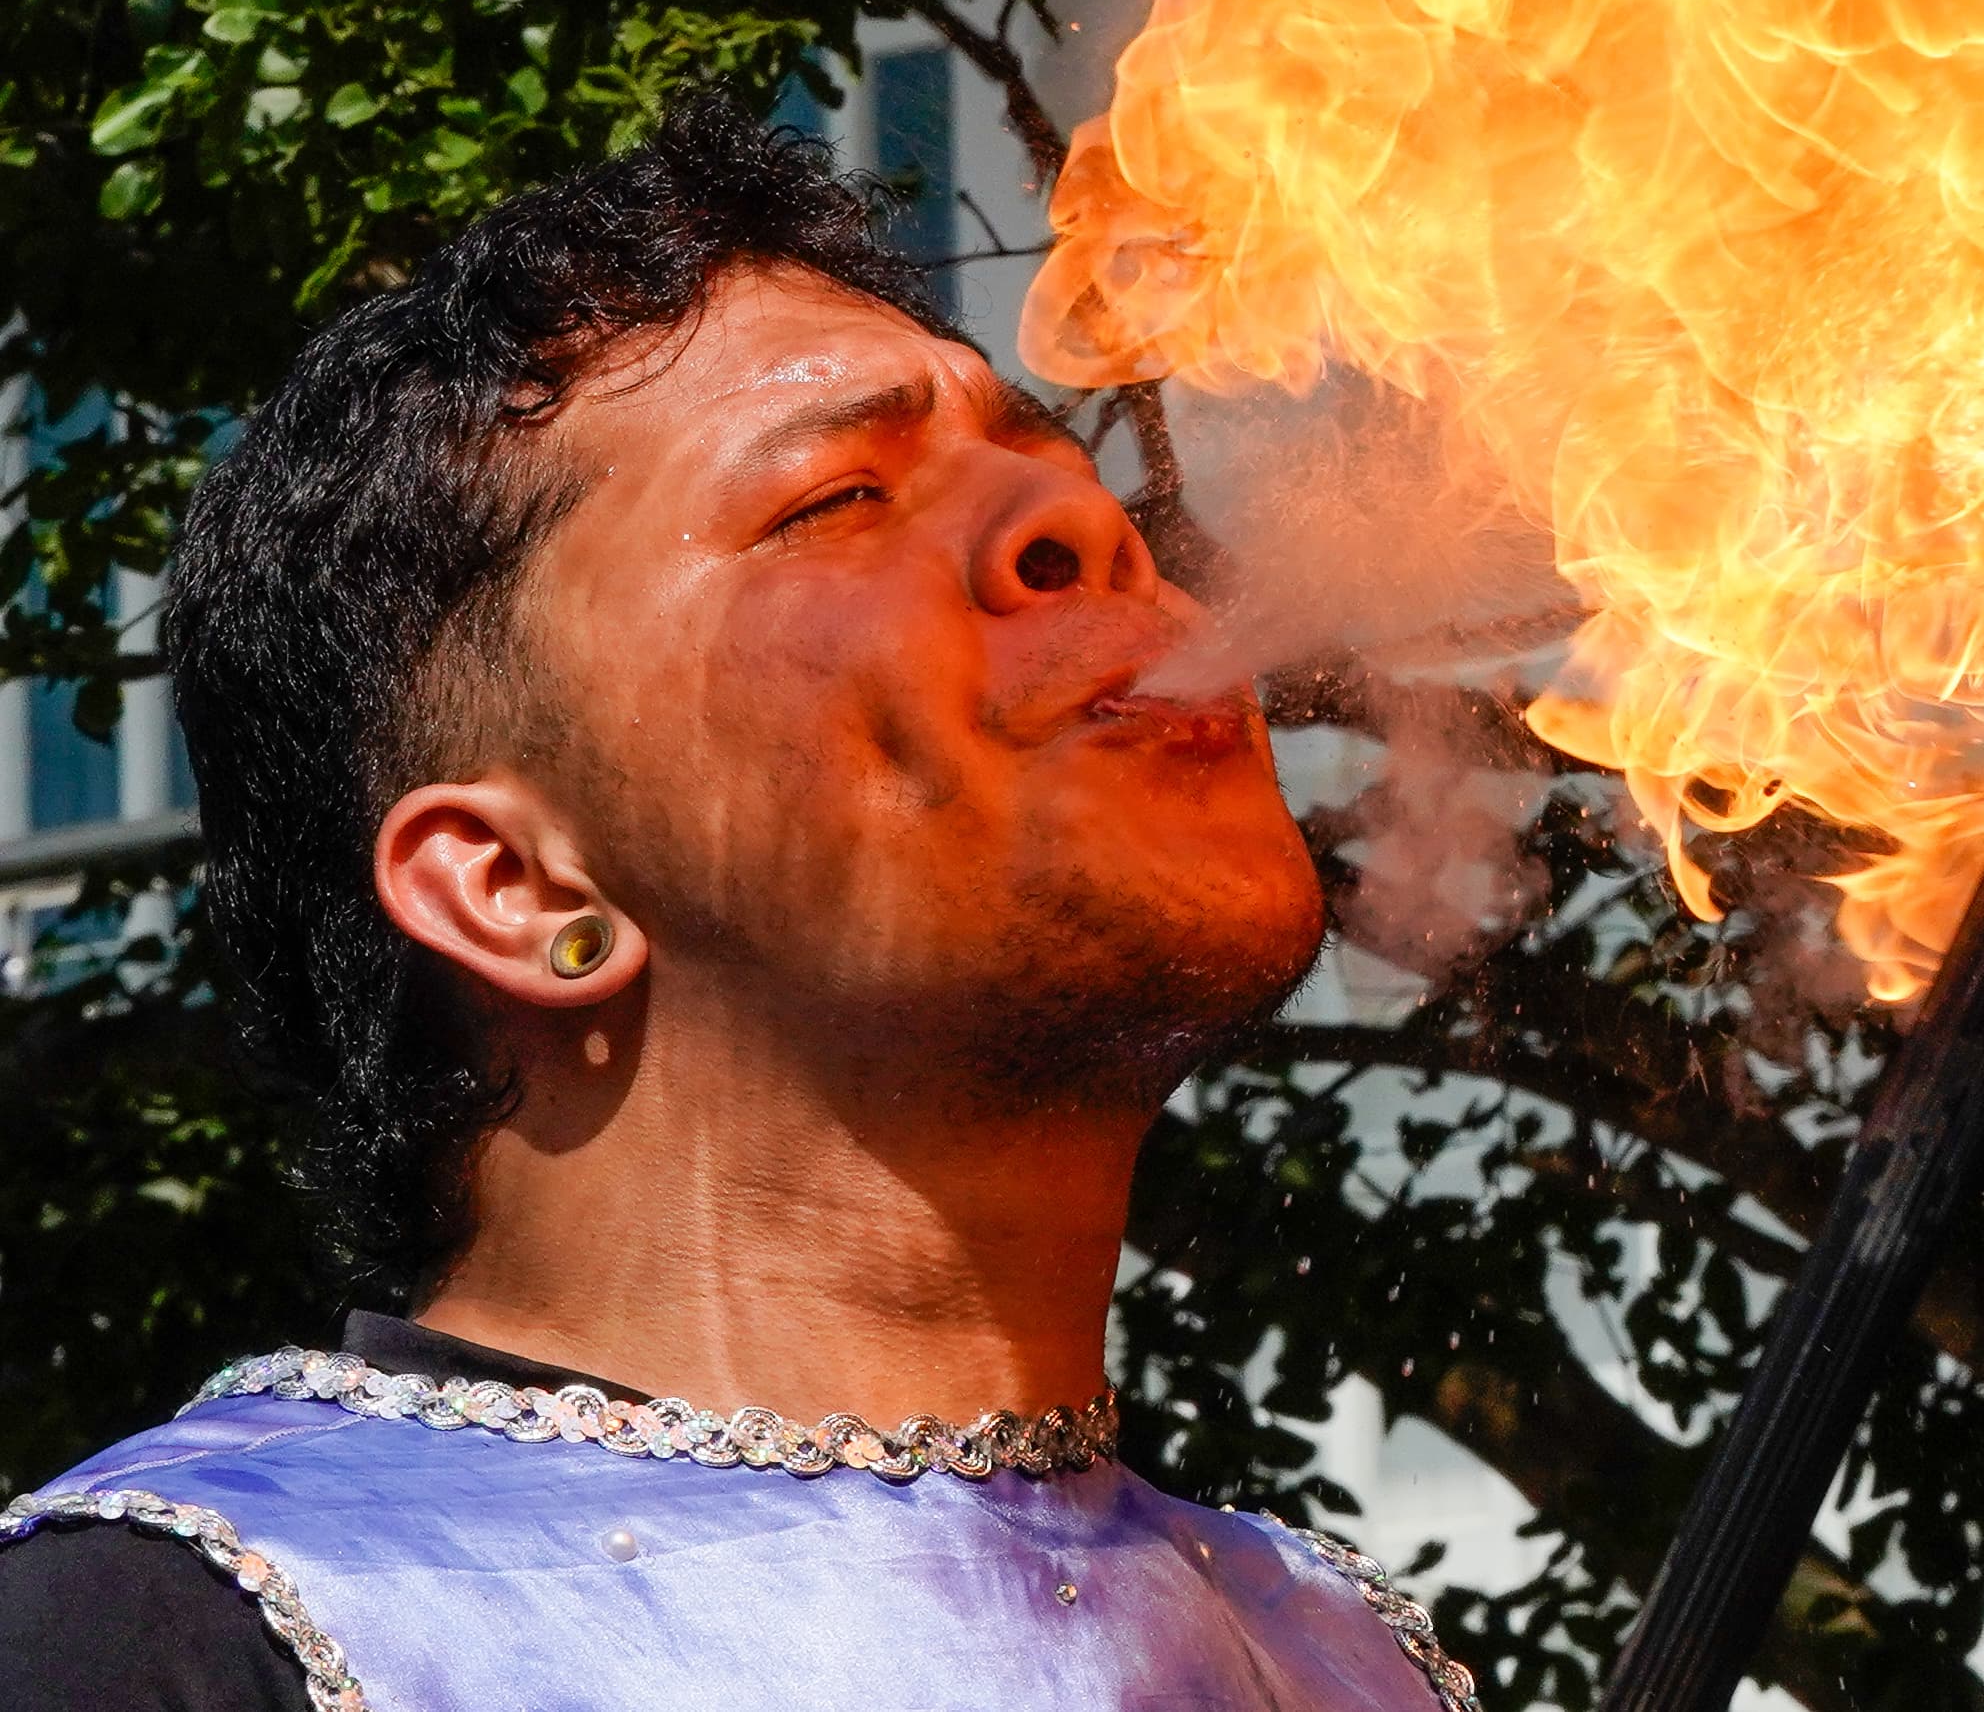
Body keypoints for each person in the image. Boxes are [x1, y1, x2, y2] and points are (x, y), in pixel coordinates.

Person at [0, 102, 1474, 1711]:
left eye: (1045, 457)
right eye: (836, 500)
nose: (1085, 525)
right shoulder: (156, 1646)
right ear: (516, 884)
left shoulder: (1340, 1656)